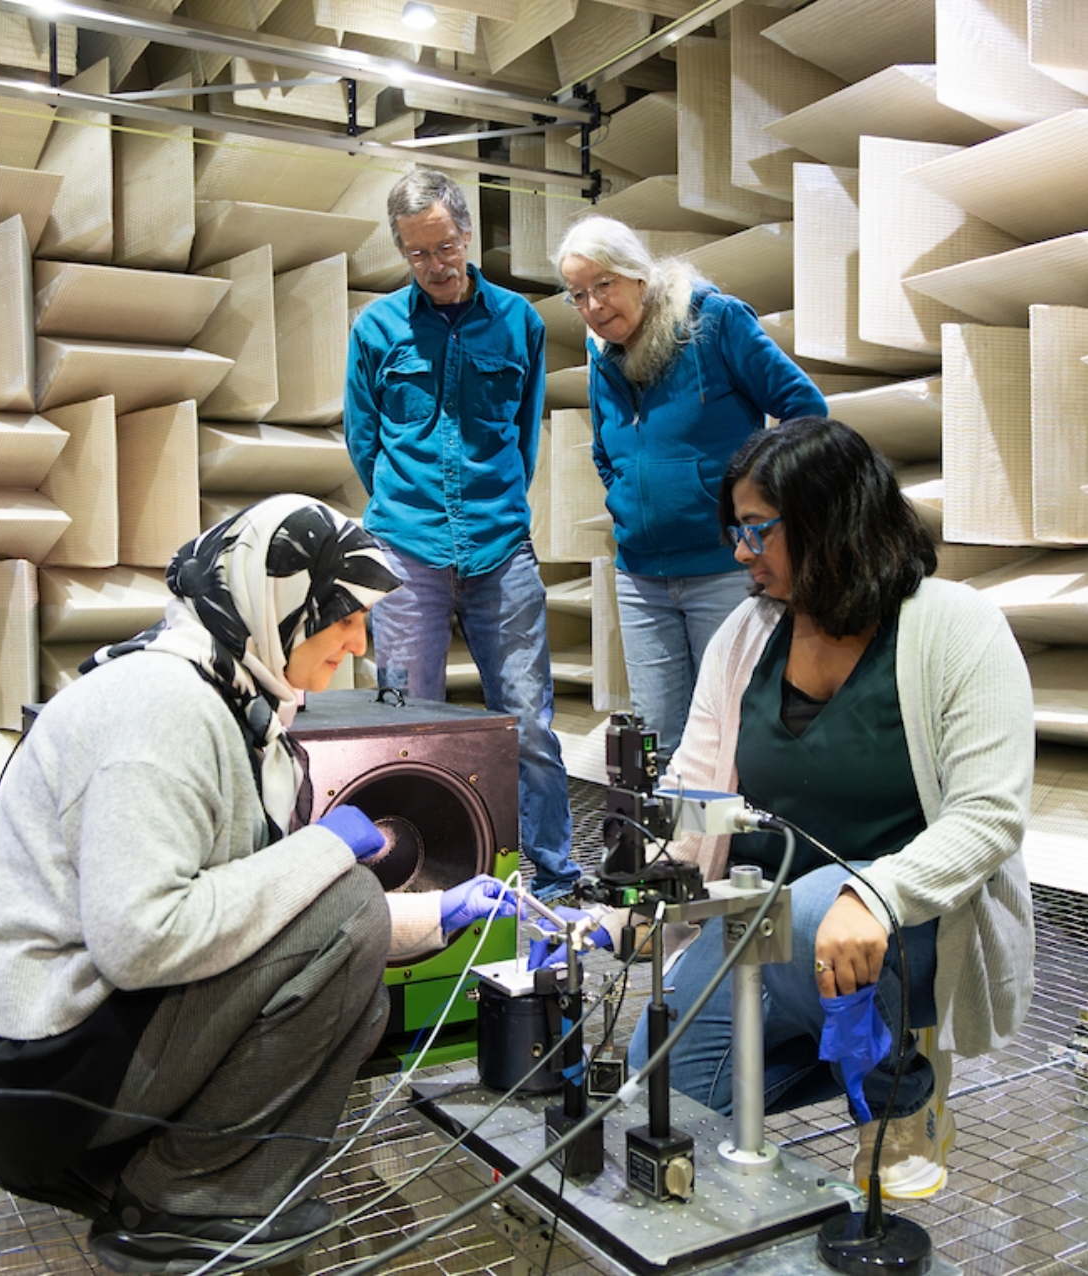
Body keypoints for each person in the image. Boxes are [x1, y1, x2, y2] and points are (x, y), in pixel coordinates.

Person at [0, 495, 518, 1274]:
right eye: (342, 615)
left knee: (360, 987)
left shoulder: (235, 703)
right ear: (277, 601)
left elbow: (261, 909)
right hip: (42, 1067)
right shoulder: (163, 709)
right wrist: (323, 851)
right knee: (348, 913)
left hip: (89, 1039)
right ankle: (176, 1213)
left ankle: (172, 1184)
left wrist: (434, 915)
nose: (358, 642)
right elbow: (141, 940)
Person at [618, 419, 1036, 1199]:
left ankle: (899, 1098)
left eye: (757, 532)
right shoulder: (748, 634)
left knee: (816, 908)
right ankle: (836, 1057)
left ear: (830, 522)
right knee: (659, 1088)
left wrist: (872, 893)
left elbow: (990, 814)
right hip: (760, 931)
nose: (740, 554)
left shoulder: (955, 629)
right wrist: (646, 889)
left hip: (902, 931)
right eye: (735, 532)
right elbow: (697, 791)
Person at [345, 168, 580, 902]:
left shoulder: (521, 323)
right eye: (418, 254)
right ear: (402, 252)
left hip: (498, 547)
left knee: (528, 724)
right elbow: (364, 442)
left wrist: (493, 504)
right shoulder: (376, 329)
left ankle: (556, 873)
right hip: (406, 550)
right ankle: (412, 879)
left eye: (444, 247)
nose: (435, 266)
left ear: (467, 235)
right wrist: (405, 512)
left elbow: (523, 437)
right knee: (404, 727)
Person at [555, 216, 828, 762]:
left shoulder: (714, 322)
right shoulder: (602, 357)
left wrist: (754, 509)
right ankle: (678, 847)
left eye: (603, 284)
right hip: (641, 578)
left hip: (723, 569)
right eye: (578, 294)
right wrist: (624, 500)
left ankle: (731, 848)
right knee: (659, 737)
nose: (593, 305)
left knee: (730, 727)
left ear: (638, 274)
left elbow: (806, 410)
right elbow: (606, 452)